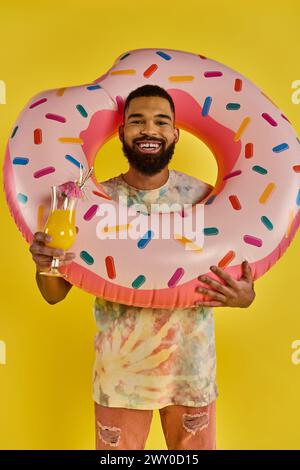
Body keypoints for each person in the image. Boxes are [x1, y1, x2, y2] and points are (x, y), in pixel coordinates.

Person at [29, 85, 255, 450]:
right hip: (120, 381)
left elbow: (242, 282)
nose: (149, 130)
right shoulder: (95, 203)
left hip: (190, 376)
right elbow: (54, 294)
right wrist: (46, 262)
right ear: (121, 133)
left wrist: (244, 297)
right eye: (137, 121)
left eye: (161, 122)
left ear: (175, 133)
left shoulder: (205, 198)